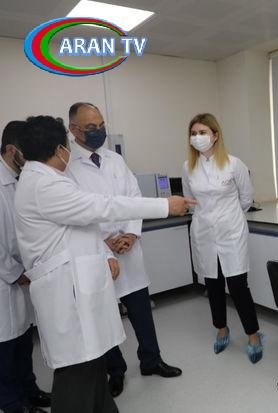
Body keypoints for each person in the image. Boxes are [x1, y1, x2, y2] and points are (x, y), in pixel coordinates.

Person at [13, 116, 194, 413]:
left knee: (92, 370)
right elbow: (102, 206)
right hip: (68, 295)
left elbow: (81, 225)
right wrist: (165, 205)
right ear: (60, 148)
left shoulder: (42, 178)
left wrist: (107, 254)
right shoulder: (44, 184)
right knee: (77, 377)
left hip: (81, 283)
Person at [65, 102, 182, 398]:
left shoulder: (115, 160)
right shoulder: (67, 166)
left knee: (141, 309)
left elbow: (133, 198)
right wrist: (104, 242)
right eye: (91, 128)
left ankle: (151, 361)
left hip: (128, 250)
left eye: (101, 125)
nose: (99, 131)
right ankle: (115, 371)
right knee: (104, 316)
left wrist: (130, 234)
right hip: (97, 251)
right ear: (74, 130)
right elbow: (78, 212)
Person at [181, 113, 264, 363]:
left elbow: (246, 199)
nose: (197, 137)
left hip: (231, 232)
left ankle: (253, 335)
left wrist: (227, 219)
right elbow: (190, 201)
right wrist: (208, 219)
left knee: (238, 286)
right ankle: (221, 328)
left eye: (202, 132)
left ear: (215, 135)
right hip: (204, 233)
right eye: (193, 133)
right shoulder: (188, 167)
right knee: (213, 285)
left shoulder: (234, 164)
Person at [0, 121, 51, 413]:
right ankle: (11, 403)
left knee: (22, 339)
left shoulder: (20, 180)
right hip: (6, 278)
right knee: (6, 346)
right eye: (26, 151)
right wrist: (14, 272)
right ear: (11, 150)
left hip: (23, 274)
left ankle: (30, 392)